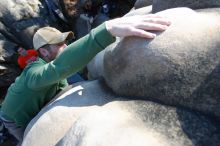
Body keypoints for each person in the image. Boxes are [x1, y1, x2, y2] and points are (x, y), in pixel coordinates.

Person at [0, 14, 171, 144]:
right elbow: (58, 68)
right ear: (44, 52)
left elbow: (63, 76)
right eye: (59, 44)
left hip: (36, 105)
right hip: (16, 119)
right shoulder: (33, 73)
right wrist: (105, 30)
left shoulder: (50, 72)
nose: (65, 46)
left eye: (65, 42)